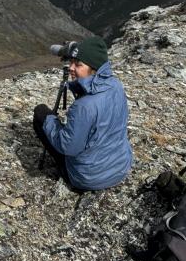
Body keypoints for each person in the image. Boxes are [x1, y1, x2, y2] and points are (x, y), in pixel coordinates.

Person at [33, 35, 132, 191]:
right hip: (120, 168)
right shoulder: (116, 85)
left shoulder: (83, 107)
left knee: (41, 114)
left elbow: (68, 148)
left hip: (88, 179)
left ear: (93, 68)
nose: (71, 68)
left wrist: (51, 121)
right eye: (71, 62)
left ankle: (69, 173)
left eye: (78, 64)